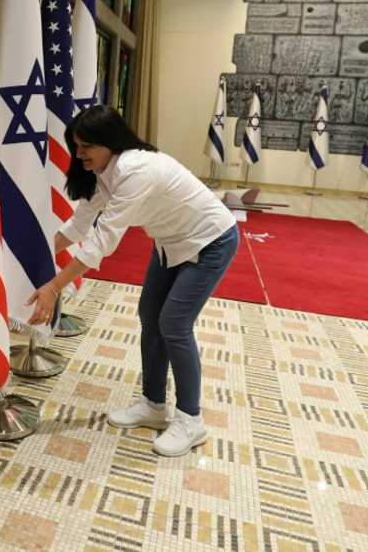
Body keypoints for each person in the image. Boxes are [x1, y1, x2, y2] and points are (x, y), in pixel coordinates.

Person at [28, 105, 239, 457]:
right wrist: (33, 255)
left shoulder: (135, 170)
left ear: (109, 142)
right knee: (149, 316)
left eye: (86, 147)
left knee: (174, 324)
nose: (79, 155)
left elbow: (102, 241)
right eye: (76, 147)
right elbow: (80, 224)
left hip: (209, 241)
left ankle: (191, 420)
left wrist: (53, 287)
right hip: (170, 243)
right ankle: (154, 405)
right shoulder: (104, 168)